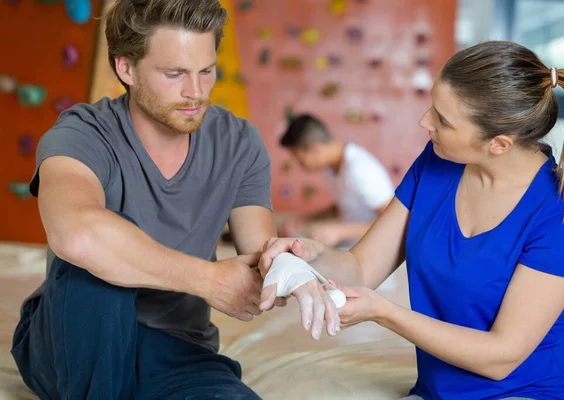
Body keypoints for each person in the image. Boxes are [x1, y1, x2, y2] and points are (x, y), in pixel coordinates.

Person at [10, 0, 336, 398]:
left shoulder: (238, 142)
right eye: (174, 74)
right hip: (72, 338)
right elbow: (76, 236)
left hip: (178, 347)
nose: (195, 92)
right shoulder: (81, 134)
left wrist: (286, 263)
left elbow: (259, 251)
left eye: (206, 71)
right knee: (99, 251)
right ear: (125, 68)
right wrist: (209, 279)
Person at [259, 41, 564, 399]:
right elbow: (361, 269)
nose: (425, 122)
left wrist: (386, 314)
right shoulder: (437, 162)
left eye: (443, 119)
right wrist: (310, 255)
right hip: (438, 391)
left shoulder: (562, 213)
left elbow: (501, 357)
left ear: (498, 144)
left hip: (533, 391)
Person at [279, 114, 395, 248]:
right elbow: (346, 205)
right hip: (353, 245)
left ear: (315, 148)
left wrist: (340, 231)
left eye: (299, 158)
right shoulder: (332, 169)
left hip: (376, 250)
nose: (299, 164)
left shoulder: (360, 169)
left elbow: (393, 222)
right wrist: (306, 219)